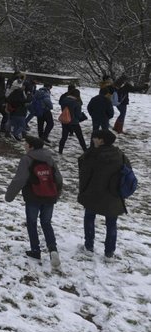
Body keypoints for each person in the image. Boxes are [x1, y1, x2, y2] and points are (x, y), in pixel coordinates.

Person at [5, 135, 63, 266]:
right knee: (46, 223)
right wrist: (56, 194)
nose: (24, 145)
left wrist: (9, 196)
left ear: (31, 146)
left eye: (26, 144)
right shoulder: (49, 158)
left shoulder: (27, 159)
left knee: (32, 222)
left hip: (33, 196)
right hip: (49, 195)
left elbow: (19, 179)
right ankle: (53, 249)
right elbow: (58, 178)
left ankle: (35, 250)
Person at [77, 130, 130, 258]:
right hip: (114, 196)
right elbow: (128, 173)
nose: (93, 140)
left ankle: (89, 247)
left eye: (95, 138)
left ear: (101, 140)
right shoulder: (120, 155)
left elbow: (84, 174)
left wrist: (83, 191)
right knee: (111, 224)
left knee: (89, 218)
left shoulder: (93, 155)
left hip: (93, 194)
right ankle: (109, 253)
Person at [57, 87, 88, 155]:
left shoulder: (64, 100)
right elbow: (78, 115)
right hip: (74, 122)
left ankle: (60, 150)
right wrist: (82, 117)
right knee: (80, 136)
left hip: (65, 120)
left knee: (64, 137)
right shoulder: (76, 103)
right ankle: (85, 149)